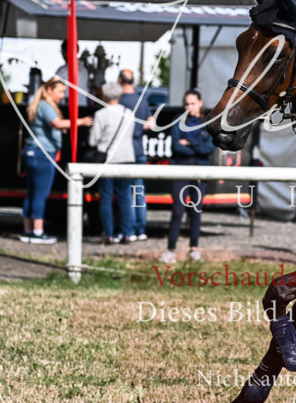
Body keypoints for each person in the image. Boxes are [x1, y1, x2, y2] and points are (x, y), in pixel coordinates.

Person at [21, 77, 92, 243]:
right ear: (49, 90)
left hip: (33, 152)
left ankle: (28, 230)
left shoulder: (39, 104)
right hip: (42, 153)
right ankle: (38, 232)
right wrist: (79, 122)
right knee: (40, 194)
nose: (62, 95)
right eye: (60, 91)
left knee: (31, 193)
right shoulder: (46, 105)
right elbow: (56, 123)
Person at [160, 90, 215, 264]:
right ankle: (171, 250)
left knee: (195, 210)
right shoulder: (178, 121)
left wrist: (191, 143)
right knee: (178, 209)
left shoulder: (207, 122)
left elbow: (209, 148)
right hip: (181, 169)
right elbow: (176, 146)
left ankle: (194, 249)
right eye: (186, 104)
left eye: (192, 103)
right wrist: (196, 147)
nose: (189, 107)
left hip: (200, 171)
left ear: (199, 103)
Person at [89, 81, 136, 244]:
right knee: (125, 197)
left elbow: (93, 140)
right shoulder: (129, 113)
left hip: (107, 160)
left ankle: (108, 233)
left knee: (106, 197)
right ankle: (127, 232)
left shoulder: (101, 114)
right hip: (126, 158)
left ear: (105, 95)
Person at [117, 69, 153, 241]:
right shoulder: (142, 100)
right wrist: (138, 128)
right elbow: (151, 124)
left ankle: (129, 230)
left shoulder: (119, 101)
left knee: (125, 193)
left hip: (124, 151)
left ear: (119, 80)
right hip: (139, 149)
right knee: (139, 192)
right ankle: (141, 229)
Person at [54, 39, 90, 108]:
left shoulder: (63, 70)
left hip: (68, 109)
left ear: (65, 52)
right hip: (83, 109)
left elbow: (50, 87)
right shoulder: (85, 70)